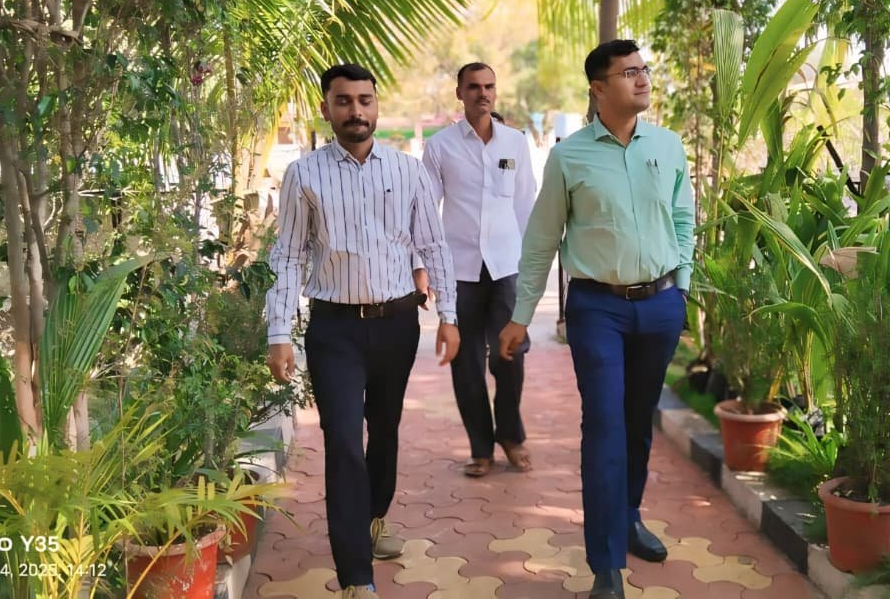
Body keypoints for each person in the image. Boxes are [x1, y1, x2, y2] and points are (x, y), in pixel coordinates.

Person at [499, 40, 695, 599]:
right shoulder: (570, 157)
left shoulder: (667, 145)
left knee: (637, 422)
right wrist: (520, 316)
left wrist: (680, 289)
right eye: (629, 72)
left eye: (644, 69)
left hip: (659, 305)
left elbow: (684, 217)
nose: (642, 79)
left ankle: (628, 517)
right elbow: (542, 241)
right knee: (605, 425)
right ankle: (606, 565)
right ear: (598, 88)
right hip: (597, 309)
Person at [265, 63, 461, 599]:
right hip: (335, 330)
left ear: (377, 105)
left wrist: (449, 317)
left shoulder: (408, 170)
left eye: (364, 100)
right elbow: (288, 256)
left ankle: (374, 517)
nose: (356, 111)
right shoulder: (304, 175)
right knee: (344, 441)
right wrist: (278, 331)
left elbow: (433, 246)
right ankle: (356, 576)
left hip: (397, 324)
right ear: (326, 108)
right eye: (344, 101)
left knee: (386, 430)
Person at [421, 62, 537, 477]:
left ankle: (511, 436)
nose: (482, 93)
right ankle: (480, 447)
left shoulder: (515, 143)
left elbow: (525, 205)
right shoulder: (440, 146)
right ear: (460, 93)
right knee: (466, 362)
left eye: (489, 86)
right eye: (473, 87)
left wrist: (531, 268)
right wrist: (423, 268)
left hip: (507, 268)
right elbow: (425, 212)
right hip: (460, 271)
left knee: (511, 355)